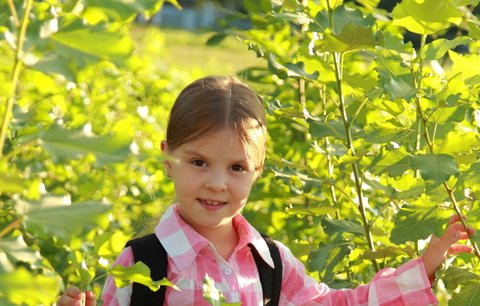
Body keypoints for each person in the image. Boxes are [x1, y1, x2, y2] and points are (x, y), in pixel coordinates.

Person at [57, 76, 474, 306]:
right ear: (169, 158)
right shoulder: (143, 264)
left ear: (258, 170)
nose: (218, 183)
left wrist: (425, 264)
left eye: (237, 167)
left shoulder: (271, 264)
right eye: (199, 162)